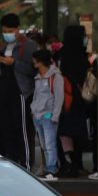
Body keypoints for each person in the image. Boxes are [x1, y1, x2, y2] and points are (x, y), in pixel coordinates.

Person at [0, 13, 38, 171]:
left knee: (22, 130)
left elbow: (32, 69)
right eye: (4, 31)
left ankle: (26, 165)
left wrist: (14, 63)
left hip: (20, 91)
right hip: (3, 91)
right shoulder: (2, 46)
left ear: (18, 29)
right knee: (6, 129)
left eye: (10, 31)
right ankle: (11, 163)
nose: (7, 34)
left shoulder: (29, 46)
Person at [54, 25, 93, 177]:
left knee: (64, 131)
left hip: (64, 98)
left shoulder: (61, 54)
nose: (85, 39)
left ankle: (66, 164)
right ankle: (75, 164)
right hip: (75, 98)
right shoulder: (80, 56)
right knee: (76, 132)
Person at [30, 49, 64, 180]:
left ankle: (51, 169)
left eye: (35, 59)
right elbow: (36, 96)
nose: (33, 62)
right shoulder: (38, 77)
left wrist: (55, 116)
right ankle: (48, 168)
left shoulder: (55, 77)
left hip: (48, 115)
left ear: (40, 61)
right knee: (44, 145)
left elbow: (59, 98)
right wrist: (33, 111)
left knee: (49, 144)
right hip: (37, 115)